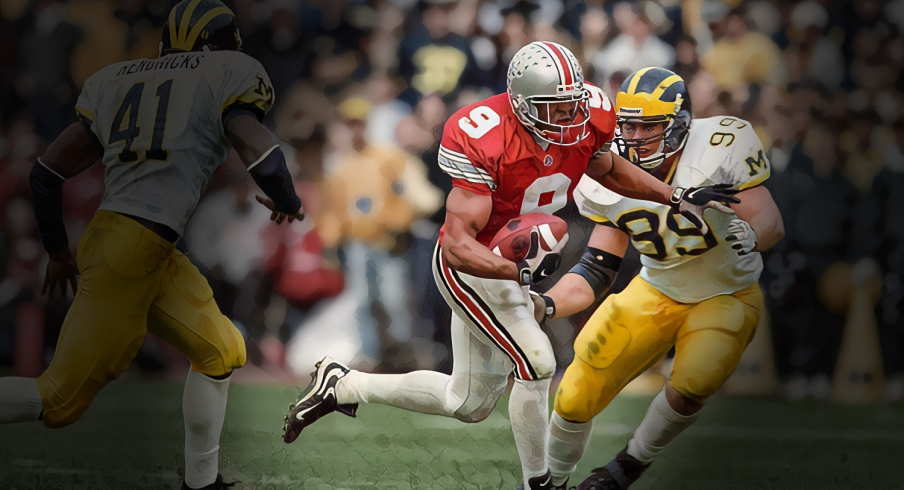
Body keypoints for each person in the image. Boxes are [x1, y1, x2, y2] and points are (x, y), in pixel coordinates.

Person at [282, 43, 738, 490]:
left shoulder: (588, 115)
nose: (569, 117)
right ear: (521, 106)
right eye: (553, 108)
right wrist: (516, 275)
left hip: (509, 266)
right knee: (537, 361)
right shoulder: (483, 135)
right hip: (472, 267)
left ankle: (342, 384)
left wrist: (674, 195)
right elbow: (459, 244)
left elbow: (608, 168)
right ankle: (541, 484)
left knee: (469, 403)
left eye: (572, 103)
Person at [0, 1, 304, 489]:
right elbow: (259, 148)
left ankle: (200, 482)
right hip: (132, 247)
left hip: (138, 244)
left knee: (221, 351)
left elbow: (45, 173)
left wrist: (59, 251)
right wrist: (286, 197)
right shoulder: (226, 71)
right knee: (58, 401)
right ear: (218, 45)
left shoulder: (116, 79)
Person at [537, 67, 785, 489]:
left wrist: (753, 234)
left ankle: (625, 468)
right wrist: (542, 305)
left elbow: (770, 221)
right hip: (658, 286)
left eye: (645, 126)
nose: (631, 135)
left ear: (678, 127)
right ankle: (551, 482)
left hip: (726, 292)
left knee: (696, 378)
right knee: (576, 390)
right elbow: (597, 269)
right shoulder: (607, 178)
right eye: (626, 124)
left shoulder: (720, 147)